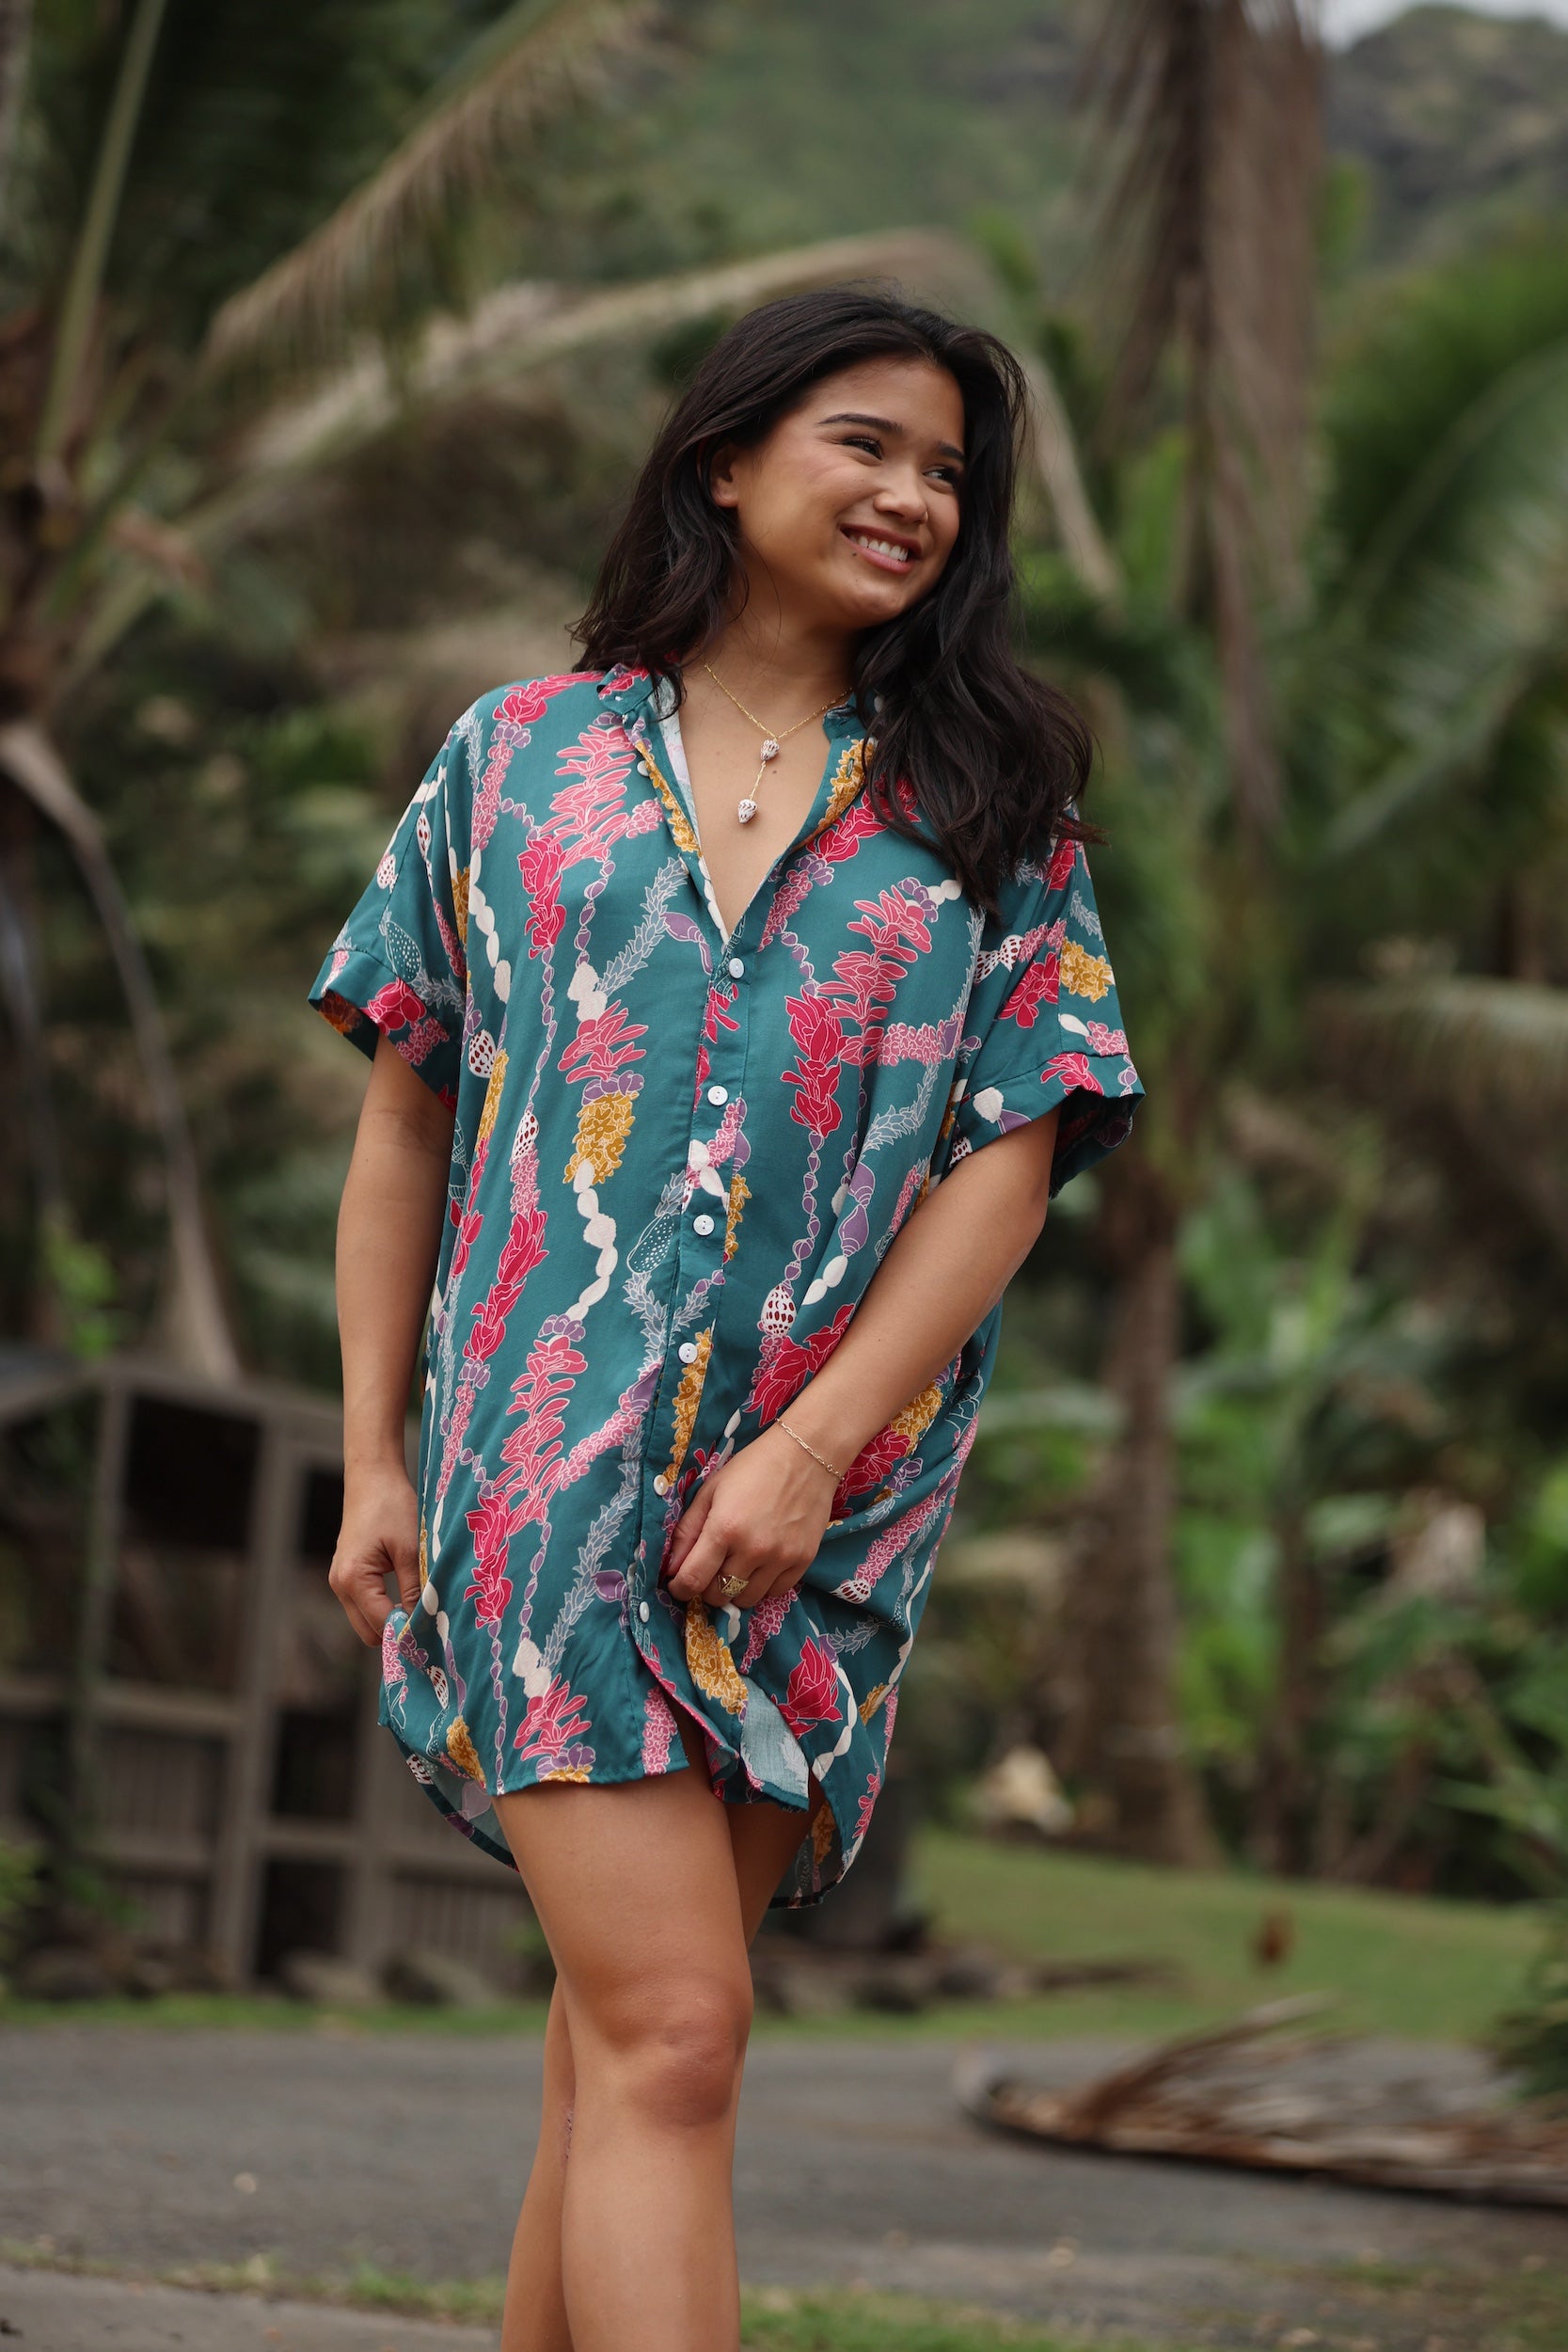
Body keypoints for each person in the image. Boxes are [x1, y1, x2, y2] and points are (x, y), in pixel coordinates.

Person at [308, 285, 1143, 2352]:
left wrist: (809, 1450)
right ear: (727, 459)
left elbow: (1012, 1154)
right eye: (867, 443)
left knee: (617, 2056)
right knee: (680, 2027)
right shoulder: (516, 761)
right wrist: (373, 1450)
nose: (914, 496)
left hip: (836, 1503)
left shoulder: (995, 798)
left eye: (950, 471)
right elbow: (405, 1118)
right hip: (553, 1464)